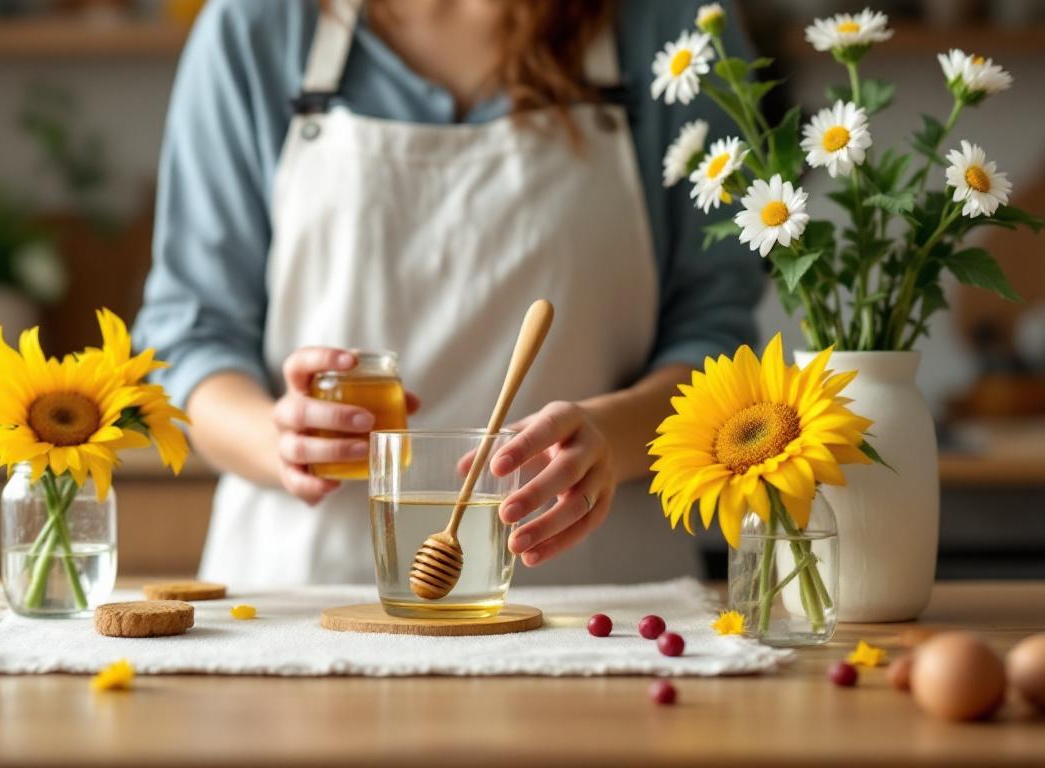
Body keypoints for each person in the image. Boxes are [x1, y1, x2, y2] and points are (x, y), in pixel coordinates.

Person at [136, 0, 763, 586]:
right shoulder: (261, 23)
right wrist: (278, 439)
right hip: (305, 593)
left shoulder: (675, 22)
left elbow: (714, 338)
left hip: (598, 599)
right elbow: (190, 336)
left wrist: (610, 438)